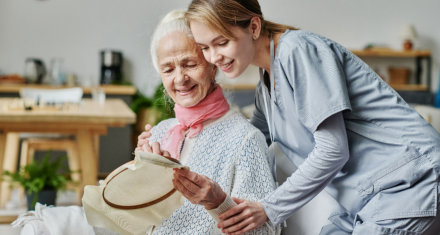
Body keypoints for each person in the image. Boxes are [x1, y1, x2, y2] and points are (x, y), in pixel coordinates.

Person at [153, 0, 440, 234]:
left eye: (221, 42)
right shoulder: (265, 87)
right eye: (204, 48)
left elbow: (333, 149)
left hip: (408, 182)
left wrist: (268, 208)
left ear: (254, 26)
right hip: (363, 202)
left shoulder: (298, 50)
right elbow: (241, 139)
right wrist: (167, 148)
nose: (213, 57)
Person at [136, 9, 277, 234]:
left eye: (190, 64)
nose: (180, 78)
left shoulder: (246, 139)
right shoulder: (159, 133)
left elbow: (265, 232)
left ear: (213, 65)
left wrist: (218, 202)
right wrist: (141, 171)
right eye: (168, 69)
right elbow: (134, 218)